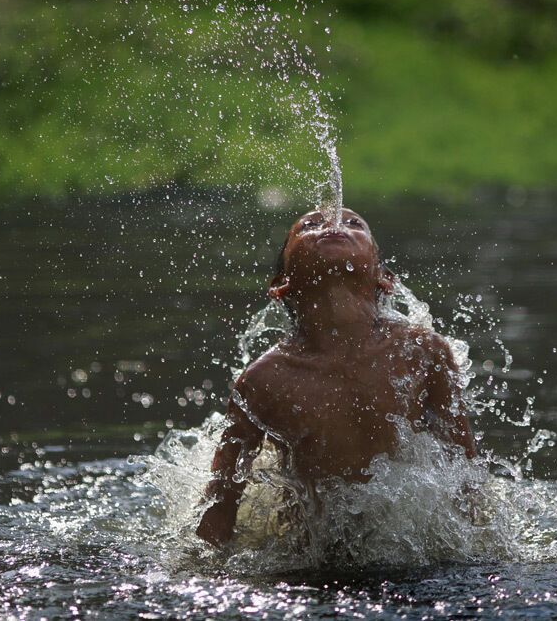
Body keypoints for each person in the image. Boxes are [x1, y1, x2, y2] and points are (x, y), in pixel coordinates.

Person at [196, 208, 477, 546]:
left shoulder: (422, 351)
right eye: (311, 226)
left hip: (409, 549)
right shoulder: (263, 380)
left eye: (353, 223)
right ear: (281, 284)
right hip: (309, 558)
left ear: (383, 278)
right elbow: (221, 502)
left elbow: (464, 468)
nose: (332, 226)